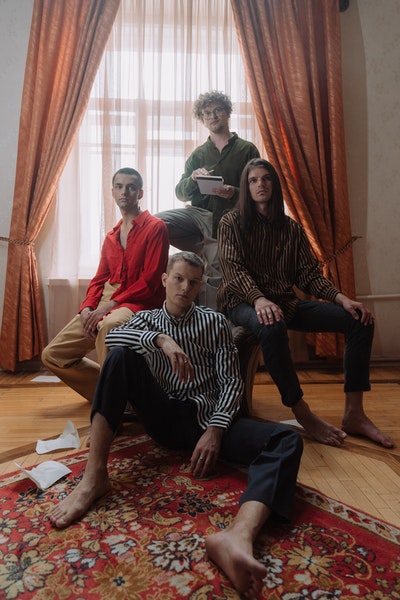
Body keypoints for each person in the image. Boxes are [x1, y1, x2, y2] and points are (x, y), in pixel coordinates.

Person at [49, 251, 303, 598]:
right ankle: (94, 478)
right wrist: (160, 340)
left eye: (193, 282)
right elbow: (111, 341)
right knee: (120, 356)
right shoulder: (146, 319)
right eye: (179, 279)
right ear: (165, 280)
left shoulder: (214, 323)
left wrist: (215, 430)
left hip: (207, 421)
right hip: (164, 418)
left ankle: (238, 535)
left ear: (200, 287)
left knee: (287, 440)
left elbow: (231, 382)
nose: (185, 287)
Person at [217, 158, 394, 449]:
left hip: (284, 302)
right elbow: (233, 270)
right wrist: (258, 299)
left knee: (359, 320)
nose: (260, 184)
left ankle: (354, 413)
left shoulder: (292, 229)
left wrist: (343, 299)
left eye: (266, 178)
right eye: (253, 180)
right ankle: (303, 413)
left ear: (274, 185)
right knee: (271, 324)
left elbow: (309, 276)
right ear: (246, 188)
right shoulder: (230, 222)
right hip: (242, 301)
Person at [42, 167, 169, 402]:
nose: (124, 192)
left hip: (137, 302)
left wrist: (109, 306)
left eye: (131, 187)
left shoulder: (156, 227)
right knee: (52, 355)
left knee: (109, 326)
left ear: (140, 193)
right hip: (107, 300)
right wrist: (87, 309)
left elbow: (151, 281)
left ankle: (111, 405)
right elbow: (100, 278)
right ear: (112, 192)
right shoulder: (111, 236)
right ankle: (117, 397)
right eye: (119, 187)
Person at [156, 91, 260, 307]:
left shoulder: (247, 150)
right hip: (197, 215)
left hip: (228, 218)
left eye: (217, 110)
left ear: (227, 112)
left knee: (215, 268)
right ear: (202, 119)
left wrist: (234, 193)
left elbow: (258, 190)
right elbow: (181, 193)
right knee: (155, 224)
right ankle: (203, 250)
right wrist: (193, 179)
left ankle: (212, 321)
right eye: (207, 113)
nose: (212, 116)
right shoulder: (198, 154)